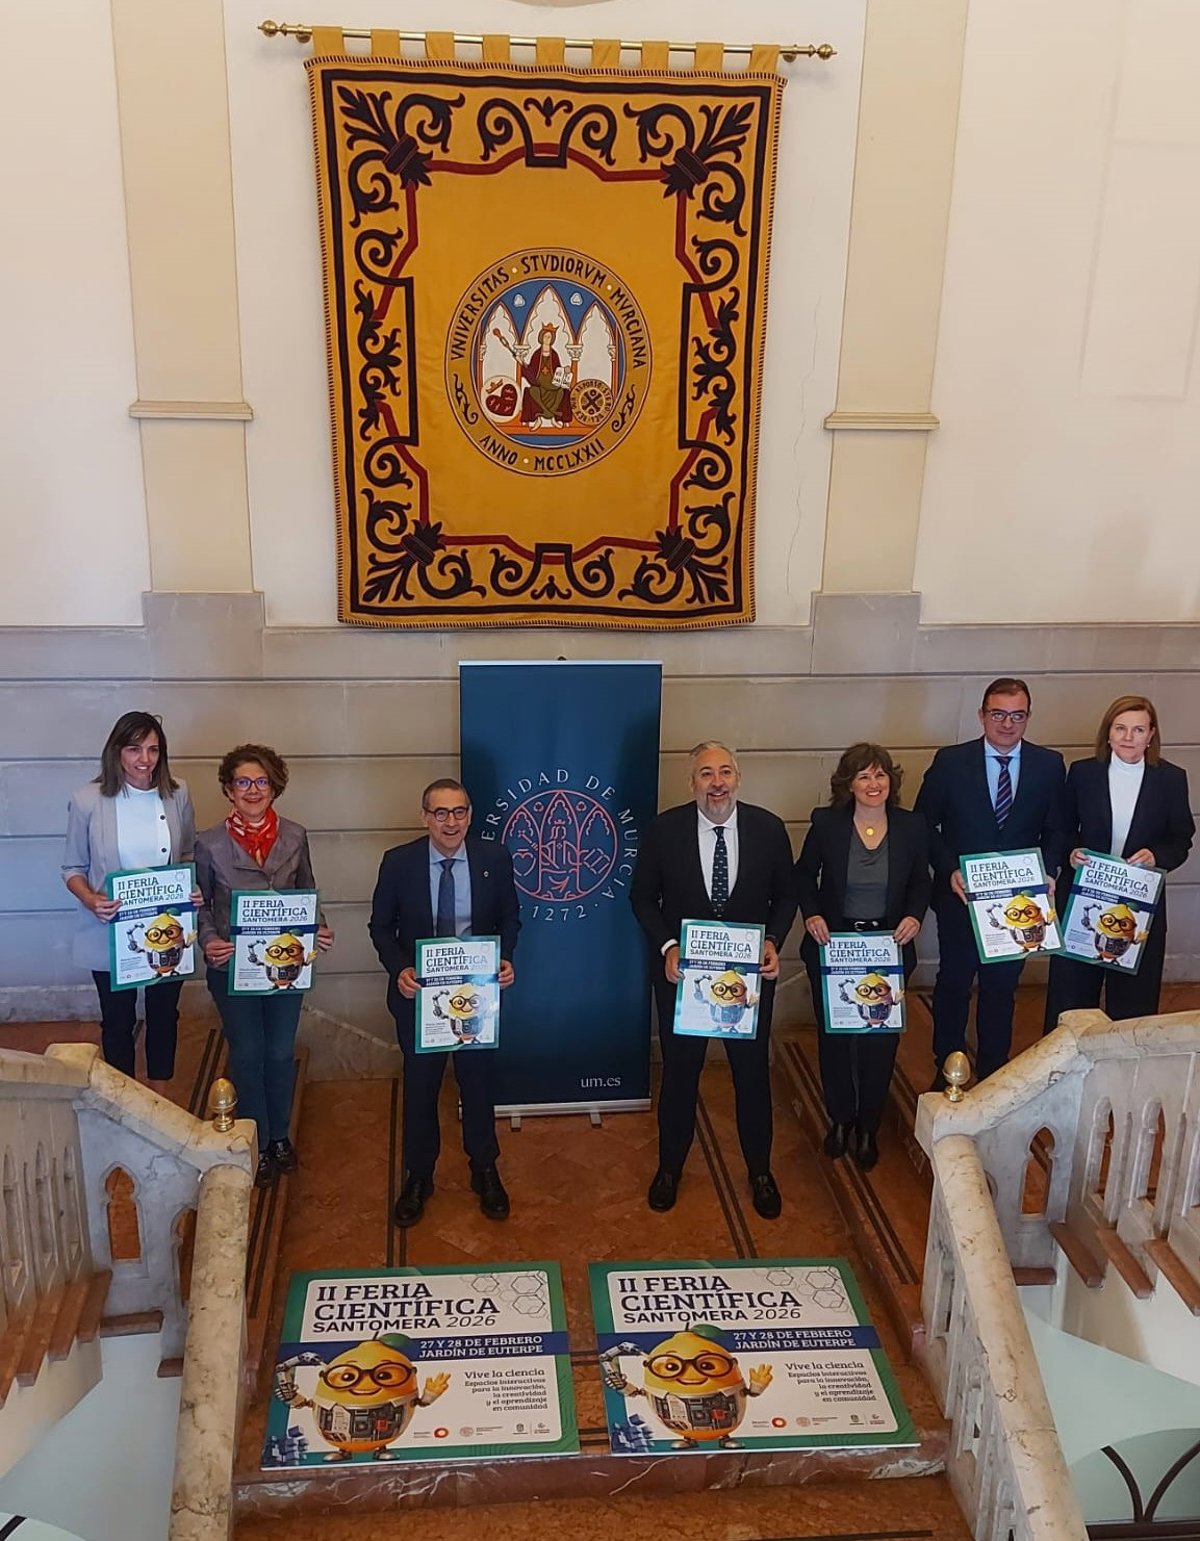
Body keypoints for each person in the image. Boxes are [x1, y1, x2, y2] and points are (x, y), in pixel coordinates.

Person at [630, 742, 797, 1218]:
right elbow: (642, 898)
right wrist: (668, 946)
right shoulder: (664, 830)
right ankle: (669, 1168)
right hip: (683, 978)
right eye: (706, 774)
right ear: (692, 783)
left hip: (749, 980)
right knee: (680, 1075)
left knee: (751, 1076)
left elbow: (786, 896)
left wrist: (773, 940)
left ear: (738, 778)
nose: (717, 782)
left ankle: (760, 1171)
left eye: (725, 772)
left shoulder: (768, 828)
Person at [368, 778, 520, 1228]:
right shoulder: (399, 862)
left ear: (469, 816)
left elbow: (510, 917)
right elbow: (380, 927)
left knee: (478, 1085)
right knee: (421, 1088)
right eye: (440, 813)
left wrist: (506, 958)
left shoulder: (494, 858)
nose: (450, 822)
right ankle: (419, 1177)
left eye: (459, 812)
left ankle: (484, 1168)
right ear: (425, 818)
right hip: (419, 999)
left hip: (477, 997)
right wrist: (399, 968)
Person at [914, 677, 1066, 1085]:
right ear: (982, 715)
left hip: (1018, 901)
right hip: (961, 896)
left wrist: (1049, 870)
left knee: (1002, 987)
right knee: (955, 983)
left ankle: (995, 1071)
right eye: (998, 714)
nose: (1007, 724)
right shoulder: (950, 761)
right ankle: (948, 1069)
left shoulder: (1049, 764)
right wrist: (949, 868)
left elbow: (1058, 828)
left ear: (1028, 717)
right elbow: (923, 824)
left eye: (1017, 715)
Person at [195, 744, 334, 1188]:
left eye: (261, 782)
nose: (253, 790)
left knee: (279, 1053)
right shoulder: (208, 843)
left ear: (274, 788)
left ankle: (279, 1137)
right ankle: (253, 1139)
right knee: (248, 1052)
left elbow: (307, 891)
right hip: (233, 969)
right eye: (243, 782)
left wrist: (319, 929)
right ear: (228, 789)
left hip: (285, 967)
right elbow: (199, 905)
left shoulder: (295, 835)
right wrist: (209, 941)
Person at [795, 744, 931, 1172]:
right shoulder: (827, 824)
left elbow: (921, 881)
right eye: (864, 777)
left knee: (879, 1041)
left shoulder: (911, 826)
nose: (874, 784)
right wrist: (812, 914)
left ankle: (868, 1125)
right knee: (835, 1039)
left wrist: (914, 916)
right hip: (835, 946)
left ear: (891, 781)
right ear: (848, 784)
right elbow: (804, 875)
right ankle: (840, 1119)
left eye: (880, 775)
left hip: (887, 947)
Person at [61, 711, 197, 1097]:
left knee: (163, 1015)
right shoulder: (87, 800)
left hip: (168, 927)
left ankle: (159, 1099)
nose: (145, 759)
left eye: (153, 750)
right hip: (110, 928)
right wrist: (91, 900)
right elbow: (72, 867)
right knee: (118, 1019)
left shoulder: (178, 793)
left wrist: (192, 888)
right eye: (135, 749)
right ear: (117, 751)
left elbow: (188, 854)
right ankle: (125, 1101)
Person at [1044, 695, 1194, 1029]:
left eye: (1138, 730)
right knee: (1071, 997)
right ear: (1108, 733)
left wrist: (1157, 855)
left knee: (1133, 1004)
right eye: (1120, 728)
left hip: (1139, 906)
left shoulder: (1170, 778)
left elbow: (1181, 838)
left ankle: (1123, 1064)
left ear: (1151, 735)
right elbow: (1062, 828)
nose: (1128, 737)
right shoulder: (1083, 773)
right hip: (1084, 899)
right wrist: (1071, 852)